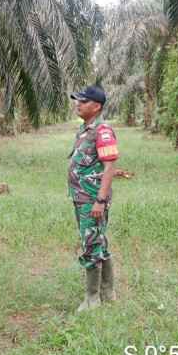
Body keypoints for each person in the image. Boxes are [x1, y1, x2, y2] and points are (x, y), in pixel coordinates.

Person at [68, 85, 119, 311]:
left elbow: (109, 168)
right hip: (82, 197)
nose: (78, 104)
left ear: (96, 106)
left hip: (92, 199)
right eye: (78, 100)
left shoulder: (103, 131)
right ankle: (108, 290)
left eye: (83, 101)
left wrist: (100, 200)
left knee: (91, 244)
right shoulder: (85, 129)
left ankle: (92, 298)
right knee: (99, 240)